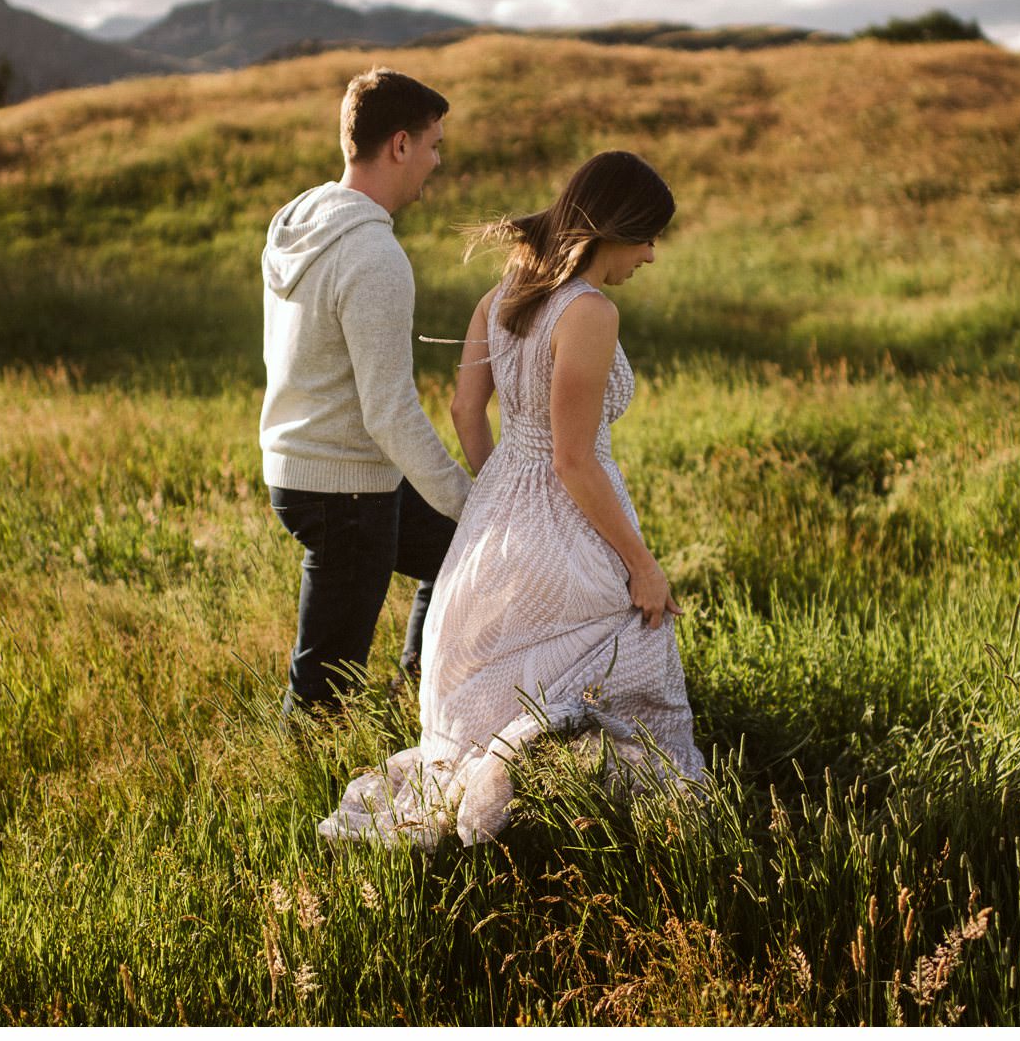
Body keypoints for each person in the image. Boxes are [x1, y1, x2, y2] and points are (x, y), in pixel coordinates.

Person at [319, 150, 706, 847]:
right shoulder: (588, 311)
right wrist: (642, 564)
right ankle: (588, 817)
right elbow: (572, 456)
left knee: (509, 666)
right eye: (647, 236)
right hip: (568, 511)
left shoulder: (502, 296)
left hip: (499, 508)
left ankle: (523, 789)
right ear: (612, 228)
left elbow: (468, 409)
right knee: (629, 635)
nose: (650, 254)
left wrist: (499, 489)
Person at [261, 67, 471, 712]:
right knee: (325, 685)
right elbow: (389, 411)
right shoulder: (374, 255)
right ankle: (302, 790)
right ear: (400, 144)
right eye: (434, 145)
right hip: (344, 488)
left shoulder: (301, 219)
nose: (436, 162)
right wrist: (468, 497)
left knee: (459, 553)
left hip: (315, 470)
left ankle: (419, 683)